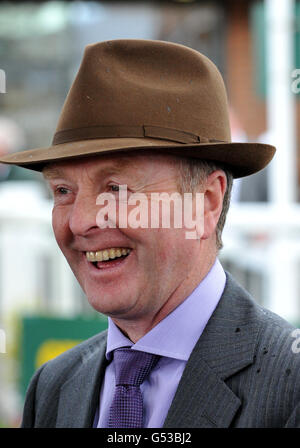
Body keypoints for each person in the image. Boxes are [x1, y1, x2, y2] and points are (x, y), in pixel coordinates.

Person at [1, 39, 299, 428]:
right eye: (63, 192)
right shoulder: (55, 388)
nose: (80, 222)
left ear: (206, 203)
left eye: (117, 189)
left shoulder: (288, 386)